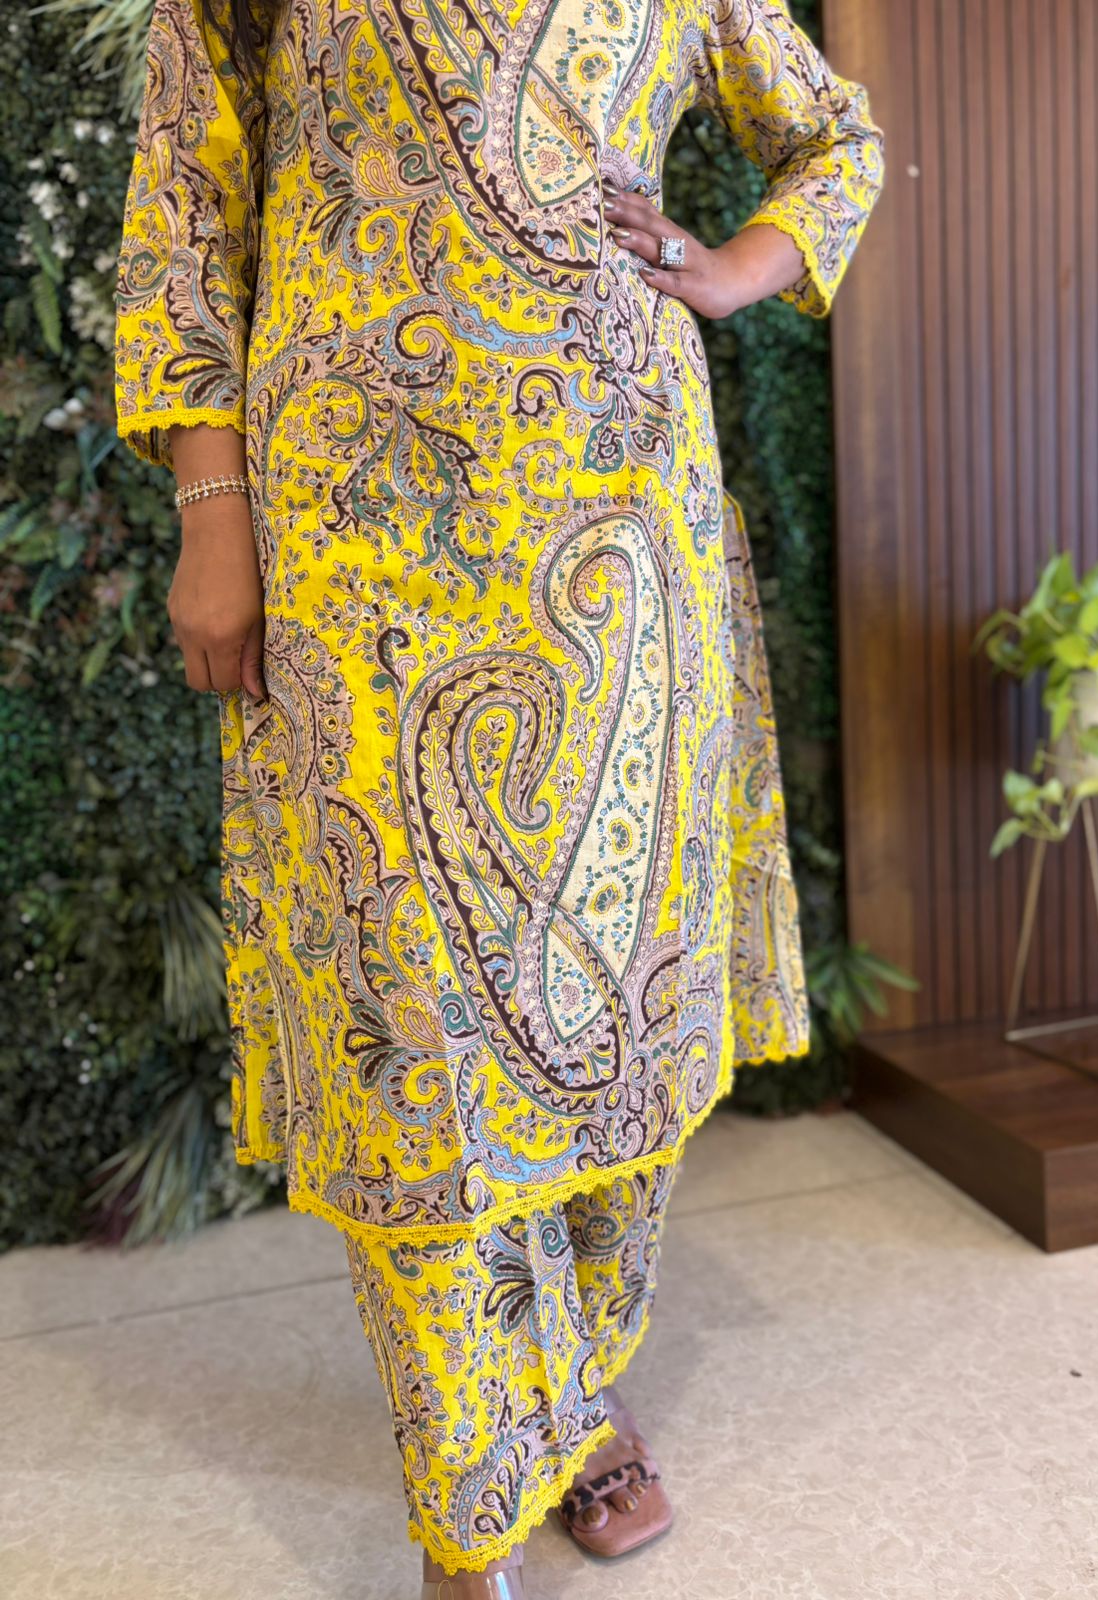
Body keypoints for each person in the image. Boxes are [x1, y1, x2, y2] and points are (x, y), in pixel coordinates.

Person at [114, 1, 883, 1593]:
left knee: (611, 1001)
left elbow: (835, 139)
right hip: (353, 530)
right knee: (415, 1031)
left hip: (622, 519)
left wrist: (729, 270)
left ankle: (570, 1396)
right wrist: (212, 509)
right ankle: (468, 1507)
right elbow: (188, 200)